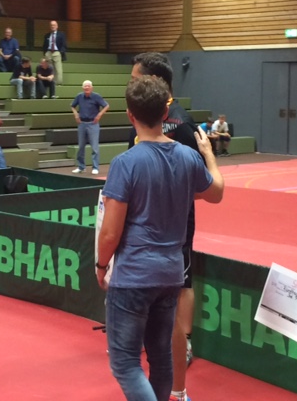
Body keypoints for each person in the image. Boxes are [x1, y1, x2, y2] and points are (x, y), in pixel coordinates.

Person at [96, 75, 224, 401]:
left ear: (130, 115)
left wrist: (101, 264)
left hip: (135, 275)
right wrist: (208, 154)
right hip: (171, 274)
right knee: (161, 356)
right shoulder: (188, 157)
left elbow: (110, 231)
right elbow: (216, 193)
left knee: (125, 364)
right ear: (165, 113)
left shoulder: (125, 163)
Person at [130, 52, 200, 401]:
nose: (130, 84)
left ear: (155, 81)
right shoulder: (142, 114)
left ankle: (182, 344)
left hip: (176, 222)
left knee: (182, 283)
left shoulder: (182, 124)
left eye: (135, 78)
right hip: (143, 220)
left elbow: (201, 182)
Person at [70, 80, 109, 175]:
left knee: (94, 147)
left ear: (91, 87)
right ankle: (81, 167)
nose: (86, 87)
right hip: (82, 123)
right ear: (82, 88)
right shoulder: (79, 96)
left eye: (88, 86)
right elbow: (72, 106)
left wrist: (99, 115)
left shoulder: (96, 96)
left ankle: (95, 167)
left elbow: (106, 105)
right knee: (81, 147)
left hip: (93, 124)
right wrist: (76, 114)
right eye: (85, 86)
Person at [42, 20, 67, 85]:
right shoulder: (47, 35)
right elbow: (44, 45)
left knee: (58, 69)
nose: (52, 26)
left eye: (54, 25)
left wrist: (61, 52)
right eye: (51, 25)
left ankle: (59, 83)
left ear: (57, 26)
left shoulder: (61, 34)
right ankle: (50, 83)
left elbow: (64, 44)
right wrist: (45, 53)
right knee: (50, 69)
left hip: (57, 52)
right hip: (48, 52)